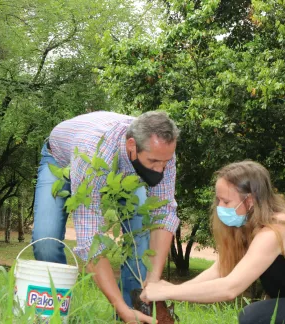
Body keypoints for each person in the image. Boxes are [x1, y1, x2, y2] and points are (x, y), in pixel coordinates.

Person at [141, 161, 285, 324]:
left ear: (249, 201)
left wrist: (170, 292)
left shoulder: (274, 231)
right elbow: (221, 269)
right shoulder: (248, 228)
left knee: (255, 316)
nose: (219, 207)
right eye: (218, 199)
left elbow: (230, 288)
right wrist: (174, 290)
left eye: (226, 201)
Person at [32, 110, 180, 323]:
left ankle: (135, 313)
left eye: (165, 163)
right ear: (132, 146)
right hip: (60, 161)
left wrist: (154, 278)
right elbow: (90, 238)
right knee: (46, 240)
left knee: (139, 239)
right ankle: (56, 314)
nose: (160, 170)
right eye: (154, 162)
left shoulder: (162, 150)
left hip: (124, 171)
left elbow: (163, 213)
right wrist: (118, 306)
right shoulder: (93, 155)